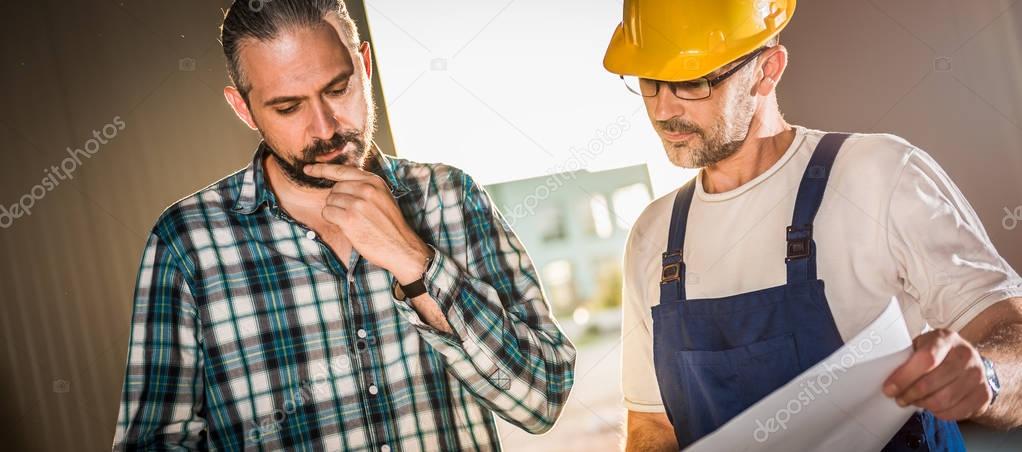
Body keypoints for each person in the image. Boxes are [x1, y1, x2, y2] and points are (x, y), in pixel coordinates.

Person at [111, 1, 575, 450]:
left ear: (364, 65)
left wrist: (416, 263)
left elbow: (542, 401)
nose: (326, 127)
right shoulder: (186, 243)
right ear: (244, 109)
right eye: (288, 107)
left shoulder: (451, 196)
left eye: (338, 89)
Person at [604, 1, 1022, 450]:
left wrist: (988, 376)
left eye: (692, 81)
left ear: (767, 69)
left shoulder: (877, 174)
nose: (664, 108)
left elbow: (1010, 331)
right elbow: (652, 428)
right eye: (649, 80)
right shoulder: (653, 236)